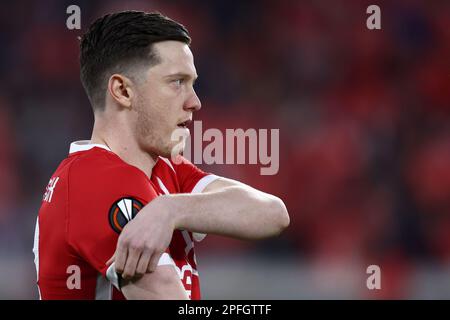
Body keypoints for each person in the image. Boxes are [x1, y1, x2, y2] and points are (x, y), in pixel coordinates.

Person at [33, 11, 289, 300]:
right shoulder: (92, 179)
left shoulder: (167, 171)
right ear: (123, 91)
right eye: (177, 82)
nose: (195, 102)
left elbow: (273, 214)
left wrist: (171, 209)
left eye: (192, 83)